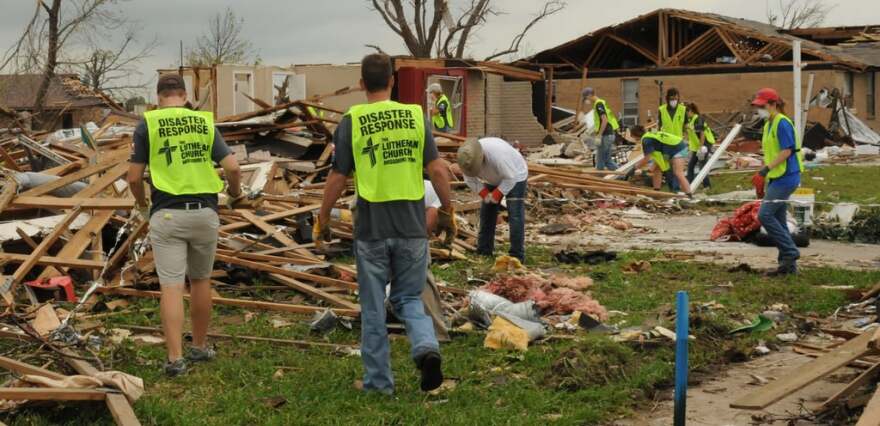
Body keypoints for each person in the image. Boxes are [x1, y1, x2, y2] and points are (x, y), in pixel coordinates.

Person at [315, 53, 457, 394]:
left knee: (373, 306)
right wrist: (449, 213)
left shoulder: (353, 120)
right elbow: (438, 169)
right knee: (410, 297)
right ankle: (426, 348)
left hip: (372, 231)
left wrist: (323, 218)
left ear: (362, 84)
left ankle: (379, 383)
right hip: (412, 228)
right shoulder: (415, 116)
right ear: (393, 81)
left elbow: (338, 176)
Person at [127, 74, 243, 377]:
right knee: (201, 281)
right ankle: (200, 346)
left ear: (158, 97)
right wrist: (235, 194)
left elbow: (133, 177)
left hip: (167, 215)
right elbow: (232, 167)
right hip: (204, 213)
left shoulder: (148, 124)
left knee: (172, 286)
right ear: (184, 94)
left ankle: (175, 358)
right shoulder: (204, 122)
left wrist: (142, 205)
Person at [750, 87, 803, 276]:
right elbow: (771, 153)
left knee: (765, 215)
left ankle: (790, 251)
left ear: (773, 104)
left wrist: (765, 170)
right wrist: (764, 175)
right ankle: (787, 267)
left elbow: (787, 151)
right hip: (776, 177)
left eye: (762, 106)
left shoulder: (782, 123)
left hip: (786, 177)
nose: (759, 110)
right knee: (779, 221)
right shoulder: (768, 124)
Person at [457, 137, 529, 262]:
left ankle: (517, 255)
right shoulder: (466, 158)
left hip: (515, 175)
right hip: (493, 178)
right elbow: (469, 180)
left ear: (481, 158)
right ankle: (484, 250)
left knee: (515, 214)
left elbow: (510, 179)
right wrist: (485, 194)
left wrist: (496, 194)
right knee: (487, 212)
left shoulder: (499, 157)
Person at [629, 126, 692, 195]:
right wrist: (648, 170)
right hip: (671, 148)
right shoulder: (649, 136)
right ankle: (656, 191)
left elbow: (646, 159)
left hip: (678, 148)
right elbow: (657, 159)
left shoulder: (646, 140)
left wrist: (634, 168)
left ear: (635, 135)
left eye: (632, 136)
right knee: (657, 169)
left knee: (678, 172)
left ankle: (689, 194)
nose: (633, 139)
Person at [582, 87, 619, 170]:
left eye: (586, 98)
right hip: (608, 134)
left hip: (605, 135)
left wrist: (599, 135)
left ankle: (599, 177)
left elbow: (604, 120)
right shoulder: (601, 103)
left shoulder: (599, 104)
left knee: (601, 161)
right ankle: (624, 174)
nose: (586, 100)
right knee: (607, 160)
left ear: (590, 95)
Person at [685, 102, 716, 187]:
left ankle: (707, 186)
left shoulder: (697, 119)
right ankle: (689, 185)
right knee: (691, 166)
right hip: (697, 146)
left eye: (685, 113)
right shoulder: (690, 120)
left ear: (690, 111)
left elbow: (702, 134)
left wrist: (701, 148)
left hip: (705, 144)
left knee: (702, 165)